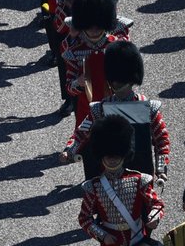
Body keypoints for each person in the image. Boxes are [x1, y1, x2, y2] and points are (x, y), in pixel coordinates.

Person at [78, 116, 164, 246]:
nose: (112, 158)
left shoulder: (138, 180)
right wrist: (102, 235)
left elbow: (156, 204)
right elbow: (85, 219)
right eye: (108, 155)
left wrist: (154, 216)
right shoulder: (94, 187)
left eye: (116, 154)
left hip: (137, 242)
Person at [62, 41, 169, 181]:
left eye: (120, 80)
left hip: (141, 176)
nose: (116, 83)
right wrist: (69, 150)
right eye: (114, 80)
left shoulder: (147, 107)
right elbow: (82, 132)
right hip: (109, 173)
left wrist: (161, 168)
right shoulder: (100, 108)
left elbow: (161, 139)